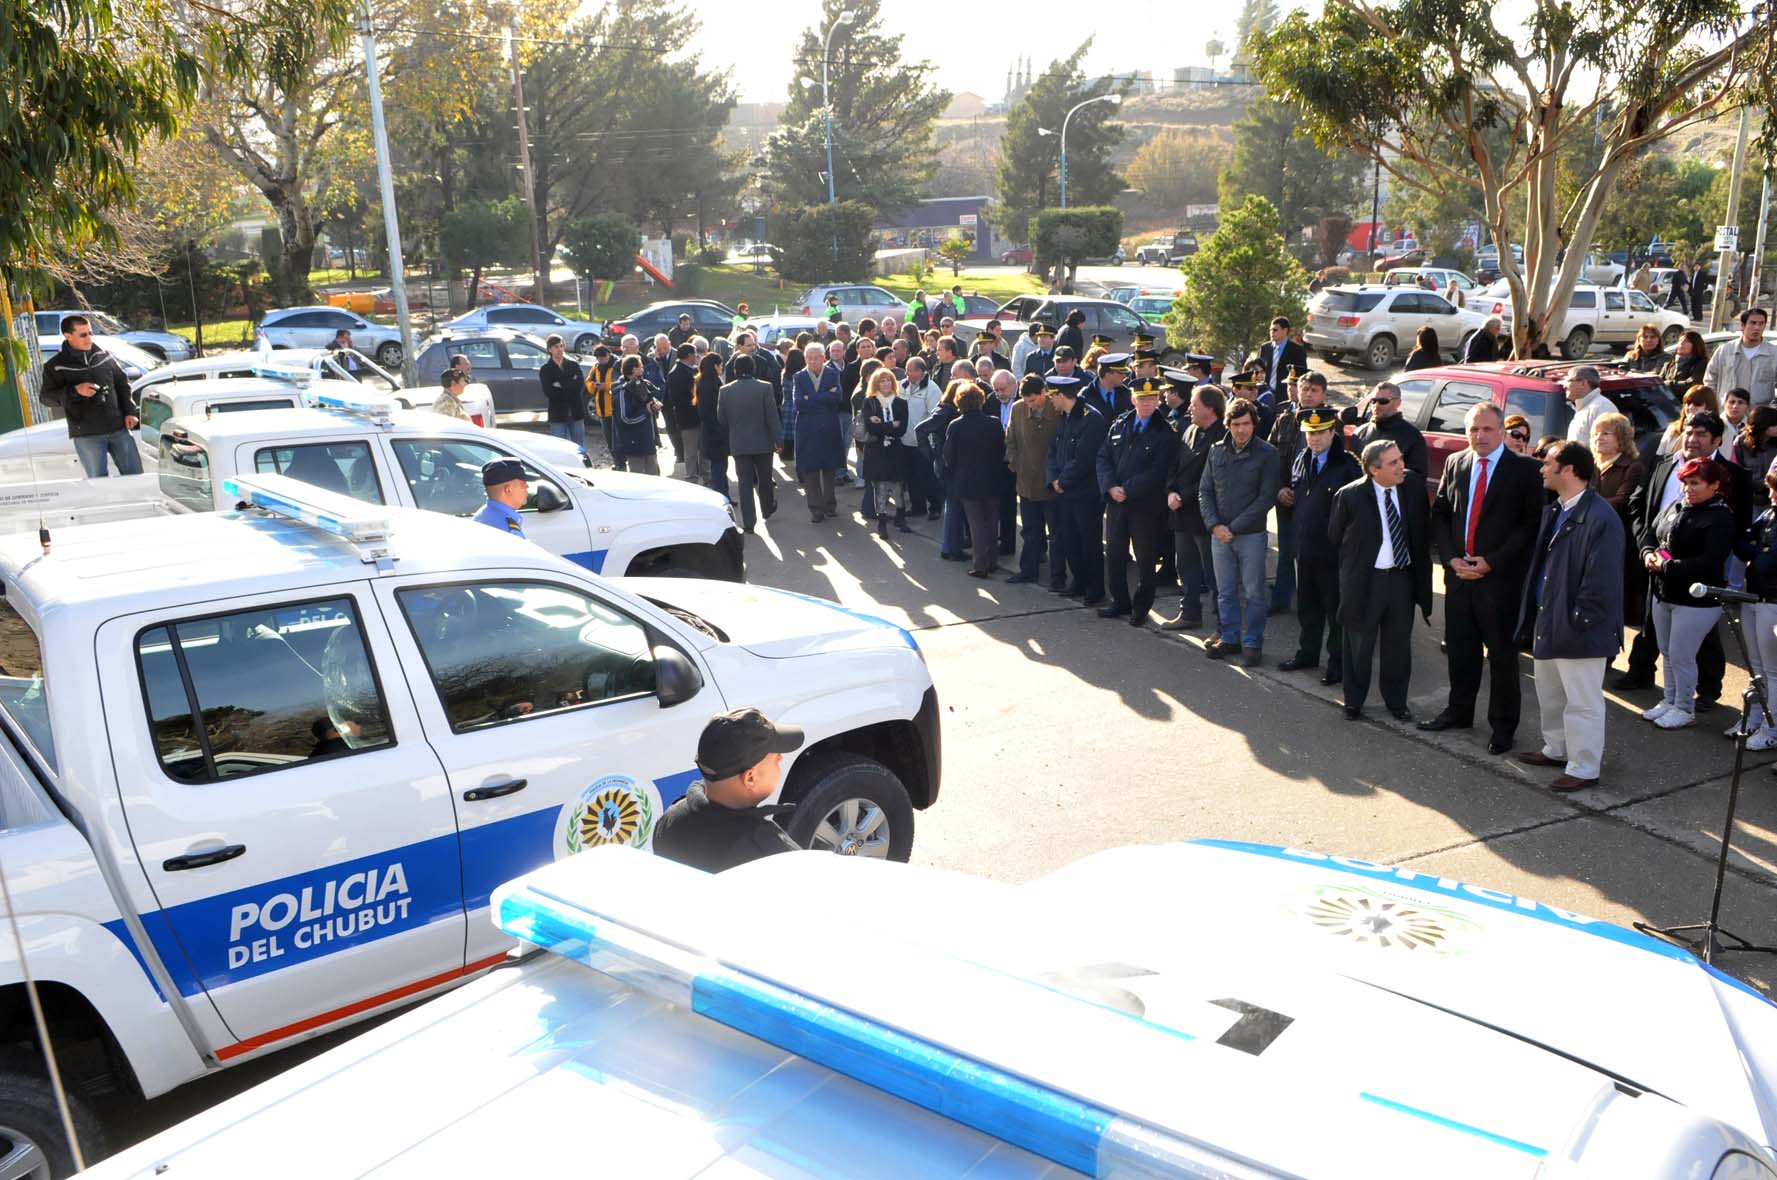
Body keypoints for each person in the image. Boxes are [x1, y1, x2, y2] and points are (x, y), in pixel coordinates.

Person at [1421, 402, 1543, 753]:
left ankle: (1503, 726)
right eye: (1473, 429)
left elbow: (1529, 526)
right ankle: (1459, 712)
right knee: (1461, 651)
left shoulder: (1525, 470)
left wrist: (1491, 562)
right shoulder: (1457, 462)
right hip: (1459, 577)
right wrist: (1450, 559)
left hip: (1499, 582)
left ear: (1503, 431)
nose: (1480, 436)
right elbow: (1441, 514)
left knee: (1502, 657)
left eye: (1488, 429)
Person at [1513, 441, 1626, 791]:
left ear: (1570, 471)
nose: (1542, 469)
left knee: (1582, 701)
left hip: (1579, 628)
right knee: (1550, 692)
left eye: (1548, 464)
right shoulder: (1558, 509)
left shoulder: (1601, 518)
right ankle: (1558, 748)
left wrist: (1579, 620)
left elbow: (1602, 580)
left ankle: (1584, 767)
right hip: (1551, 620)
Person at [1329, 440, 1433, 722]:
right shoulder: (1349, 496)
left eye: (1401, 459)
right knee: (1359, 646)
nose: (1402, 466)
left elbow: (1422, 531)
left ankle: (1397, 701)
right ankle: (1354, 700)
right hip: (1366, 582)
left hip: (1402, 579)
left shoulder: (1411, 486)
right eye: (1393, 463)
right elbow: (1335, 538)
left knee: (1398, 646)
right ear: (1374, 470)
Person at [1641, 457, 1736, 729]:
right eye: (1685, 482)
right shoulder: (1676, 505)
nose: (1688, 489)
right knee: (1667, 652)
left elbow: (1710, 561)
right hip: (1664, 592)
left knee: (1682, 654)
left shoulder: (1720, 517)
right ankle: (1670, 700)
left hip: (1697, 601)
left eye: (1695, 483)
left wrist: (1667, 565)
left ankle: (1684, 708)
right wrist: (1648, 554)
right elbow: (1652, 534)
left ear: (1715, 485)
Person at [651, 708, 805, 873]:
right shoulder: (771, 853)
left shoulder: (669, 821)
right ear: (750, 778)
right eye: (775, 757)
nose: (781, 757)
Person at [1277, 408, 1360, 682]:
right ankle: (1307, 654)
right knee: (1308, 609)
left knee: (1335, 612)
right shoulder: (1302, 459)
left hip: (1332, 554)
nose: (1314, 439)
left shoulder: (1347, 465)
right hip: (1306, 550)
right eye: (1310, 433)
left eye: (1320, 432)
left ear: (1332, 432)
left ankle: (1337, 663)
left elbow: (1356, 514)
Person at [1200, 397, 1281, 665]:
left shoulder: (1267, 453)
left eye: (1246, 424)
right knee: (1225, 591)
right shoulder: (1216, 451)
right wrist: (1214, 525)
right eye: (1236, 424)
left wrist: (1232, 528)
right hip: (1219, 535)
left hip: (1251, 536)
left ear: (1254, 425)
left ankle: (1252, 643)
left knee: (1254, 592)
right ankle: (1230, 638)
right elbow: (1205, 491)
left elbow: (1266, 497)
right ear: (1229, 425)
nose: (1241, 430)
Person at [1095, 378, 1179, 627]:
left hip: (1145, 506)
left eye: (1151, 398)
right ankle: (1120, 601)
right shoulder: (1120, 423)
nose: (1146, 402)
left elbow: (1159, 471)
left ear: (1157, 400)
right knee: (1115, 555)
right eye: (1141, 398)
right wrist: (1110, 486)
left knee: (1145, 560)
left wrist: (1127, 490)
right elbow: (1103, 457)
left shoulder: (1166, 431)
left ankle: (1141, 608)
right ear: (1133, 399)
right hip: (1117, 502)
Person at [39, 314, 142, 478]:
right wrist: (75, 391)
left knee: (136, 477)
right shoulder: (54, 366)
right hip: (87, 435)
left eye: (90, 333)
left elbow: (122, 384)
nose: (89, 338)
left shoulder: (105, 355)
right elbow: (45, 398)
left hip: (119, 429)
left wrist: (129, 411)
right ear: (68, 336)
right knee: (98, 482)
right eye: (83, 334)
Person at [1267, 370, 1334, 612]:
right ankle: (1281, 600)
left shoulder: (1333, 422)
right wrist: (1279, 489)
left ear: (1324, 394)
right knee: (1286, 551)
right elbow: (1270, 459)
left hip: (1319, 502)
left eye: (1314, 390)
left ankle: (1317, 603)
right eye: (1304, 388)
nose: (1307, 394)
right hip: (1287, 498)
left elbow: (1339, 466)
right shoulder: (1284, 420)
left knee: (1317, 554)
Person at [1163, 384, 1225, 630]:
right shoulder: (1189, 430)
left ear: (1210, 408)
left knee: (1213, 573)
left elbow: (1211, 478)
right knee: (1185, 566)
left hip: (1204, 515)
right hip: (1181, 512)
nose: (1190, 408)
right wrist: (1170, 491)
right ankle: (1189, 613)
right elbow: (1174, 465)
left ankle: (1224, 623)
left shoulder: (1222, 436)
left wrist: (1183, 496)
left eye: (1195, 404)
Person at [1045, 374, 1109, 601]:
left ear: (1060, 395)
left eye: (1051, 396)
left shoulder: (1091, 419)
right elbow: (1053, 451)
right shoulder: (1064, 417)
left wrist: (1062, 481)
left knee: (1089, 542)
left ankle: (1095, 587)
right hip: (1064, 492)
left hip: (1084, 493)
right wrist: (1053, 478)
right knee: (1069, 539)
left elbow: (1084, 458)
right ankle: (1079, 581)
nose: (1050, 401)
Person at [1591, 411, 1647, 652]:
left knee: (1612, 598)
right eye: (1596, 433)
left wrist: (1584, 504)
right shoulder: (1590, 464)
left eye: (1606, 433)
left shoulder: (1632, 467)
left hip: (1615, 540)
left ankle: (1608, 651)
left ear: (1621, 438)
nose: (1599, 438)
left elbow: (1622, 501)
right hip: (1589, 536)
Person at [1734, 464, 1777, 750]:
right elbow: (1741, 543)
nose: (1771, 494)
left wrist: (1760, 557)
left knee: (1773, 671)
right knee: (1757, 667)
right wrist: (1759, 554)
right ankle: (1755, 717)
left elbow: (1768, 562)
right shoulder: (1769, 514)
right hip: (1755, 597)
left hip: (1772, 603)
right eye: (1771, 487)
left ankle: (1772, 728)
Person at [1004, 373, 1061, 584]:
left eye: (1034, 400)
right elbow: (1010, 440)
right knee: (1030, 531)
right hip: (1026, 481)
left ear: (1043, 393)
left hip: (1050, 483)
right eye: (1027, 400)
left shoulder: (1056, 409)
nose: (1030, 405)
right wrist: (1015, 463)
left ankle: (1057, 576)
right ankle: (1028, 570)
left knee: (1055, 533)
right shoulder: (1018, 409)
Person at [944, 385, 1006, 578]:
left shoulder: (956, 426)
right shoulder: (994, 423)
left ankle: (980, 565)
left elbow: (949, 457)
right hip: (992, 479)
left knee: (976, 524)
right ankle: (992, 560)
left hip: (967, 482)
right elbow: (1002, 450)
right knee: (991, 521)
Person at [717, 354, 781, 533]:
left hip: (739, 443)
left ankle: (749, 522)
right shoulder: (765, 387)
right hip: (763, 442)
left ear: (735, 370)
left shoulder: (725, 391)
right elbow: (772, 416)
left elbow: (721, 419)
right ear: (753, 368)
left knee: (744, 484)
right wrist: (778, 439)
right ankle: (767, 508)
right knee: (765, 479)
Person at [792, 343, 846, 522]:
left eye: (817, 357)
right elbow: (799, 403)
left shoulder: (832, 374)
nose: (813, 361)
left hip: (828, 427)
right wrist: (824, 396)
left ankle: (830, 505)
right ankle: (816, 509)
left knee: (829, 469)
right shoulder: (799, 377)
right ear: (805, 359)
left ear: (824, 358)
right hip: (807, 429)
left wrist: (812, 398)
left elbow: (837, 397)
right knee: (811, 471)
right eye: (809, 358)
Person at [860, 367, 912, 538]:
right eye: (882, 380)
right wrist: (890, 425)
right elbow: (872, 428)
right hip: (876, 450)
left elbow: (902, 428)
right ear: (876, 384)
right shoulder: (870, 402)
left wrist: (882, 425)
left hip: (896, 449)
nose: (886, 383)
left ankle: (901, 517)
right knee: (880, 486)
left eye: (889, 380)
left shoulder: (901, 403)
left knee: (898, 485)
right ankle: (881, 522)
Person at [1352, 381, 1428, 474]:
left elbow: (1415, 478)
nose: (1377, 405)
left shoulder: (1412, 437)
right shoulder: (1359, 433)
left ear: (1398, 403)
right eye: (1373, 401)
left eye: (1383, 401)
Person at [900, 357, 943, 518]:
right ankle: (917, 506)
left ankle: (935, 506)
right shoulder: (902, 385)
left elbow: (936, 416)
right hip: (905, 440)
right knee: (911, 477)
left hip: (923, 442)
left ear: (920, 372)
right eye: (906, 369)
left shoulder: (932, 389)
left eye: (910, 370)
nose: (906, 373)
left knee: (926, 476)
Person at [1705, 308, 1774, 407]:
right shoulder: (1725, 350)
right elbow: (1710, 379)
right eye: (1753, 323)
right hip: (1727, 414)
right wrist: (1714, 404)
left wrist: (1771, 410)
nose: (1757, 328)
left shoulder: (1773, 354)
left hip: (1759, 416)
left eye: (1761, 323)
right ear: (1743, 325)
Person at [611, 356, 663, 474]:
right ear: (634, 369)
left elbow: (655, 396)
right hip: (634, 444)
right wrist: (646, 413)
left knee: (654, 477)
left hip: (649, 442)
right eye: (640, 366)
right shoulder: (622, 391)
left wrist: (655, 405)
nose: (643, 369)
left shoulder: (644, 385)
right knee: (638, 478)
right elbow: (624, 419)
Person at [539, 334, 588, 454]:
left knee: (579, 447)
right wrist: (570, 382)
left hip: (576, 411)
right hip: (558, 414)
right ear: (550, 349)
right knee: (559, 447)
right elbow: (549, 392)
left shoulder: (573, 365)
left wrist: (561, 385)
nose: (560, 349)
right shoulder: (546, 369)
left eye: (561, 346)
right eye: (556, 347)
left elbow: (579, 387)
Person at [1254, 316, 1308, 406]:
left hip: (1285, 395)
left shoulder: (1297, 350)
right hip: (1266, 395)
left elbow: (1301, 375)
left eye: (1275, 330)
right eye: (1270, 330)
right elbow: (1259, 370)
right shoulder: (1265, 348)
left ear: (1285, 330)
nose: (1271, 333)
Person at [697, 351, 729, 497]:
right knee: (718, 468)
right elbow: (706, 411)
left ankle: (724, 494)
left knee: (721, 466)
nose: (721, 368)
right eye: (720, 365)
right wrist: (718, 428)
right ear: (715, 366)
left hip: (716, 431)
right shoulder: (707, 384)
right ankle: (721, 495)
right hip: (713, 432)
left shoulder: (711, 381)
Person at [1655, 385, 1719, 457]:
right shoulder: (1672, 429)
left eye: (1697, 404)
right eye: (1688, 403)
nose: (1690, 407)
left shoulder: (1718, 433)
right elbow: (1659, 459)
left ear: (1709, 408)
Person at [472, 458, 529, 537]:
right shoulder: (507, 530)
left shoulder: (483, 514)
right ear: (508, 490)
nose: (527, 486)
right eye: (523, 484)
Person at [1732, 403, 1777, 502]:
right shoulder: (1740, 442)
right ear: (1764, 425)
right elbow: (1737, 472)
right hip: (1752, 497)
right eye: (1774, 424)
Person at [1562, 366, 1611, 444]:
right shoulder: (1584, 407)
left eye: (1568, 380)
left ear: (1583, 383)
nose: (1564, 386)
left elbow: (1607, 448)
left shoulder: (1602, 408)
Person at [1662, 330, 1708, 398]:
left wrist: (1668, 384)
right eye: (1680, 340)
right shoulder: (1669, 364)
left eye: (1687, 341)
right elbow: (1657, 382)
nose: (1681, 343)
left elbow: (1692, 385)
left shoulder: (1701, 364)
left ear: (1696, 345)